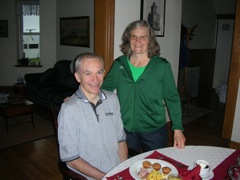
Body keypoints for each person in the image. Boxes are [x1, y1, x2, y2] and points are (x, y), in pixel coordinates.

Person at [101, 20, 186, 155]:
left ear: (150, 40)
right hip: (126, 129)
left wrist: (177, 128)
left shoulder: (162, 66)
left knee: (155, 167)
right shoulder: (119, 64)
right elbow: (103, 91)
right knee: (128, 166)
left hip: (154, 131)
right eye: (134, 36)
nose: (137, 41)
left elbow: (172, 97)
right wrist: (80, 96)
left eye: (143, 37)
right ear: (128, 39)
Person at [58, 52, 128, 180]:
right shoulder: (69, 109)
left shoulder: (113, 99)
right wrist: (106, 177)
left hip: (116, 171)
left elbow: (120, 139)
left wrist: (123, 168)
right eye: (88, 73)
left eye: (99, 72)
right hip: (88, 176)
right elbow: (71, 159)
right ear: (78, 77)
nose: (95, 79)